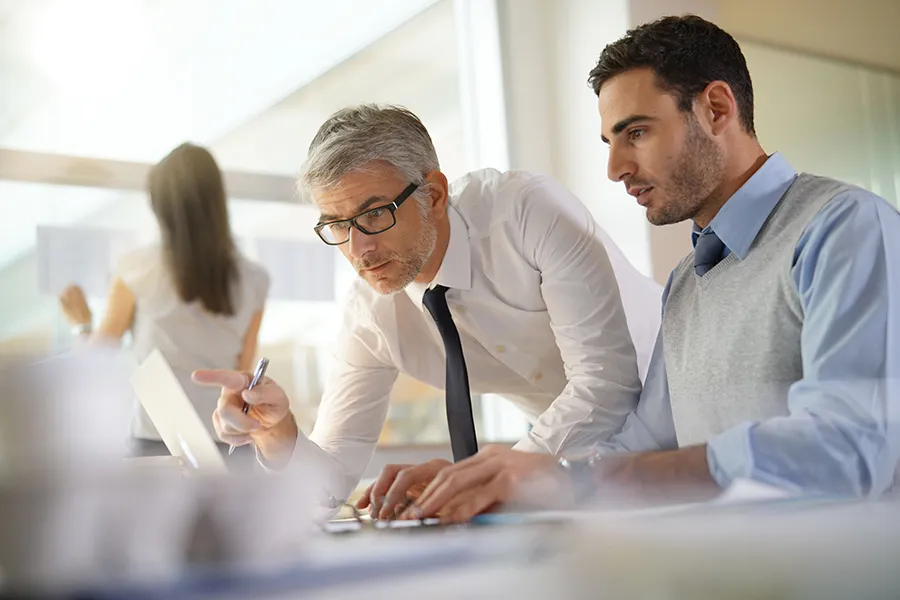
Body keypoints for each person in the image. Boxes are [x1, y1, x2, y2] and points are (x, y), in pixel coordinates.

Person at [368, 14, 900, 523]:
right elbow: (643, 443)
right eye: (610, 142)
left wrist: (576, 483)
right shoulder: (690, 280)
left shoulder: (845, 229)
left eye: (637, 133)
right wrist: (496, 478)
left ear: (716, 108)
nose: (615, 168)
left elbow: (849, 450)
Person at [193, 104, 662, 517]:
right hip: (579, 464)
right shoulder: (370, 313)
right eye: (337, 224)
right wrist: (277, 434)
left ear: (434, 195)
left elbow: (607, 383)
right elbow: (330, 481)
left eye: (374, 214)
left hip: (686, 408)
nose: (359, 248)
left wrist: (487, 477)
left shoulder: (525, 213)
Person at [59, 143, 270, 460]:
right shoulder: (254, 279)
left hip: (159, 443)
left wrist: (81, 324)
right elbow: (242, 377)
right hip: (229, 444)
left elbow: (98, 361)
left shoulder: (136, 268)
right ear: (217, 202)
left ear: (159, 206)